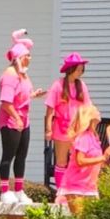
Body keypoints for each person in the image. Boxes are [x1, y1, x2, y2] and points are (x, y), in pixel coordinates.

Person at [0, 29, 46, 204]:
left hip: (23, 120)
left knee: (22, 155)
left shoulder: (22, 75)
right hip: (11, 121)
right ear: (19, 57)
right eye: (27, 56)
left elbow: (22, 96)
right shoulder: (10, 76)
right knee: (8, 155)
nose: (29, 59)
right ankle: (4, 191)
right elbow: (6, 102)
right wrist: (16, 118)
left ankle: (19, 190)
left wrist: (34, 95)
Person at [44, 51, 92, 193]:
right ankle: (61, 192)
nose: (81, 72)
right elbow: (50, 110)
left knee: (78, 161)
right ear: (71, 69)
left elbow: (88, 107)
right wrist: (48, 129)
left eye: (82, 69)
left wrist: (89, 126)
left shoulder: (81, 86)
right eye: (78, 69)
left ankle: (74, 189)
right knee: (61, 162)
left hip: (78, 129)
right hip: (62, 128)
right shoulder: (58, 85)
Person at [57, 105, 107, 215]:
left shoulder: (93, 136)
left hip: (90, 186)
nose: (98, 111)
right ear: (89, 116)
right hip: (76, 186)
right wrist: (102, 158)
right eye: (95, 109)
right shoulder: (84, 137)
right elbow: (80, 161)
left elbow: (96, 161)